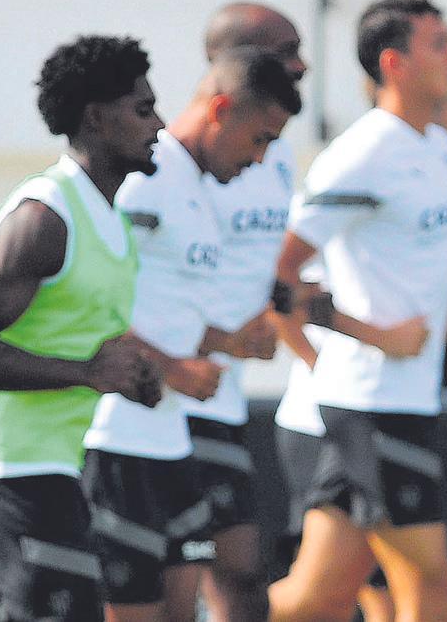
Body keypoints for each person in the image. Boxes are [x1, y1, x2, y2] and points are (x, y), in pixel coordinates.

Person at [268, 0, 447, 622]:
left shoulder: (433, 148)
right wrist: (375, 336)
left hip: (400, 401)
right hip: (368, 405)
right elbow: (278, 279)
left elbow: (404, 277)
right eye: (439, 44)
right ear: (393, 63)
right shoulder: (361, 154)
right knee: (434, 586)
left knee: (323, 599)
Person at [0, 35, 165, 622]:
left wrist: (133, 373)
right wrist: (89, 373)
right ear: (96, 119)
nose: (160, 124)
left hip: (46, 462)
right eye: (143, 109)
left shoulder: (109, 219)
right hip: (5, 465)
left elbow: (83, 336)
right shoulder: (44, 216)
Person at [81, 48, 301, 622]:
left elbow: (163, 307)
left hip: (173, 433)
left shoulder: (199, 185)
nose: (260, 160)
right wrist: (175, 368)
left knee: (194, 605)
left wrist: (225, 342)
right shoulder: (144, 182)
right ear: (221, 109)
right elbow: (89, 303)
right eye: (258, 139)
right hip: (117, 432)